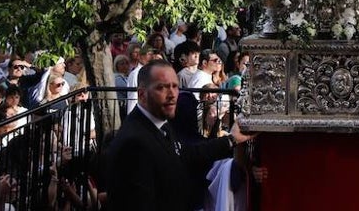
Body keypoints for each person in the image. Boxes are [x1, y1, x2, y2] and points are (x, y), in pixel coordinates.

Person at [103, 60, 252, 211]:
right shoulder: (134, 141)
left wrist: (231, 140)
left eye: (175, 86)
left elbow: (187, 153)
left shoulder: (162, 124)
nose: (172, 94)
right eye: (162, 87)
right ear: (142, 94)